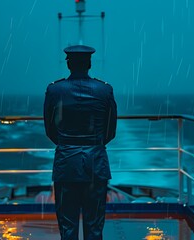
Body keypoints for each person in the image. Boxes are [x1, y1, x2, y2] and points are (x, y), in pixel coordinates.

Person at [43, 45, 117, 240]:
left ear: (68, 64)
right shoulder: (105, 90)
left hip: (66, 164)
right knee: (94, 227)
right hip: (96, 164)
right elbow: (110, 132)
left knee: (68, 227)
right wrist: (94, 144)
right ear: (90, 64)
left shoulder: (54, 90)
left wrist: (68, 143)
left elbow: (50, 130)